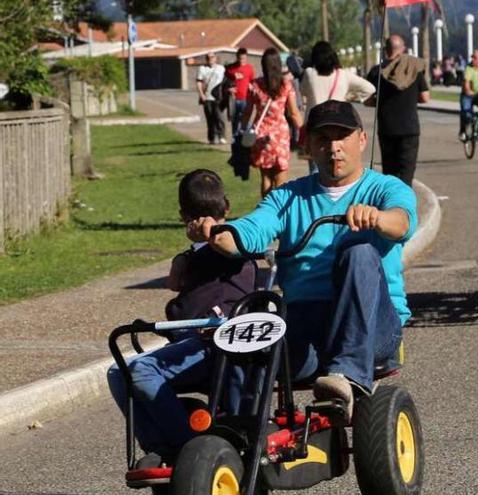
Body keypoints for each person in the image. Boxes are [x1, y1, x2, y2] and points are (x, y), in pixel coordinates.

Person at [190, 100, 417, 423]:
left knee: (359, 251)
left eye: (343, 137)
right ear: (308, 145)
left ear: (362, 140)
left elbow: (402, 222)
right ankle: (239, 436)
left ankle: (348, 374)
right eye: (323, 139)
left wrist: (378, 219)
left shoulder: (385, 188)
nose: (334, 147)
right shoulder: (288, 196)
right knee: (248, 341)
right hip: (306, 322)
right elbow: (252, 230)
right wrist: (217, 232)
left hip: (373, 324)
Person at [107, 169, 256, 467]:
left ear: (181, 216)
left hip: (220, 347)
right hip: (191, 344)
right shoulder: (193, 257)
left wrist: (206, 242)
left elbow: (235, 254)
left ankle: (188, 448)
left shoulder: (237, 244)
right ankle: (162, 448)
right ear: (226, 204)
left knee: (142, 371)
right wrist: (186, 258)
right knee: (117, 372)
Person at [301, 41, 376, 174]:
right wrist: (349, 96)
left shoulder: (309, 73)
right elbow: (370, 89)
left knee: (315, 167)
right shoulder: (343, 75)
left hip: (316, 124)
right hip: (338, 123)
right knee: (339, 165)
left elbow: (303, 91)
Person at [365, 35, 430, 187]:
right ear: (402, 49)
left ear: (385, 50)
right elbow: (425, 97)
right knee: (407, 172)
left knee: (389, 173)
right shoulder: (413, 69)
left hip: (387, 129)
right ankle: (405, 206)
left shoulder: (377, 72)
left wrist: (380, 101)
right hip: (409, 129)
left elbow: (367, 100)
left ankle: (390, 206)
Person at [241, 47, 304, 197]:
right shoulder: (286, 85)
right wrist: (303, 131)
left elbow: (247, 112)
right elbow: (294, 113)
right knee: (280, 179)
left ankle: (267, 213)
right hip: (280, 137)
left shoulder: (255, 85)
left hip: (260, 135)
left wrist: (243, 130)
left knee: (266, 179)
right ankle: (280, 215)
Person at [196, 52, 227, 145]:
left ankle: (222, 136)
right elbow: (199, 82)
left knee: (219, 117)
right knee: (210, 118)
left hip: (218, 97)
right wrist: (201, 94)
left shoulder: (221, 68)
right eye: (208, 57)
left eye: (212, 57)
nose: (210, 59)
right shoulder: (202, 69)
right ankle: (212, 137)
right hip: (207, 97)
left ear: (215, 58)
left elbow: (225, 81)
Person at [225, 48, 255, 137]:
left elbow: (252, 81)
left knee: (246, 120)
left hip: (245, 98)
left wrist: (251, 86)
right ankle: (235, 139)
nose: (242, 61)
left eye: (244, 59)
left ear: (246, 58)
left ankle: (248, 138)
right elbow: (223, 83)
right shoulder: (230, 68)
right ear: (237, 57)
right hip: (233, 99)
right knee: (234, 120)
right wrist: (228, 89)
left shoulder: (249, 68)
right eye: (240, 58)